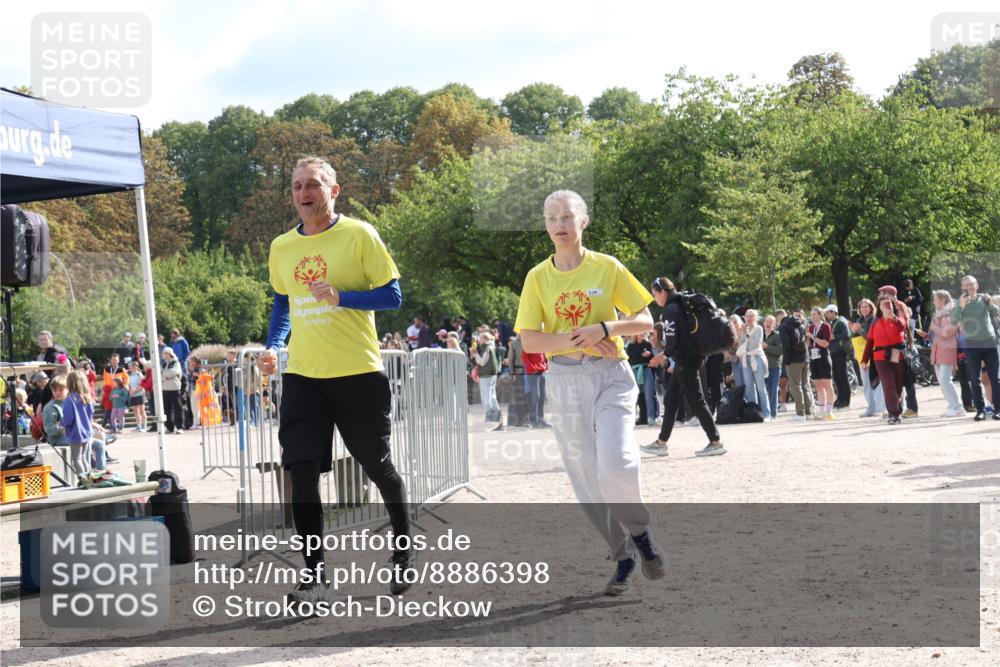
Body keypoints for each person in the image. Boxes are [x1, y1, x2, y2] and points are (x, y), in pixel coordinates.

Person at [256, 156, 413, 603]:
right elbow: (283, 303)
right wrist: (273, 345)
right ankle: (315, 574)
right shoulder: (282, 246)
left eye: (313, 186)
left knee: (377, 465)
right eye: (296, 186)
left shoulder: (359, 235)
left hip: (358, 374)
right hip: (304, 377)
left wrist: (344, 296)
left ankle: (402, 549)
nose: (304, 194)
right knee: (301, 472)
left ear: (333, 191)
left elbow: (393, 295)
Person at [515, 189, 665, 597]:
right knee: (585, 479)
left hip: (609, 375)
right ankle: (623, 556)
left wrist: (605, 330)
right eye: (551, 219)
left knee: (615, 465)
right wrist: (573, 341)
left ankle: (641, 534)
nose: (559, 225)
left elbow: (645, 318)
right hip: (564, 383)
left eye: (567, 217)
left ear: (583, 222)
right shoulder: (537, 277)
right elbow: (529, 340)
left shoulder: (607, 266)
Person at [643, 277, 726, 457]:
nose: (654, 298)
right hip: (690, 358)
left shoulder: (671, 310)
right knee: (671, 400)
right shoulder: (681, 304)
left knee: (697, 400)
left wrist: (662, 356)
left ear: (662, 291)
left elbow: (672, 342)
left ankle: (715, 441)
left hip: (685, 361)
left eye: (654, 294)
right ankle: (661, 442)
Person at [951, 275, 1000, 421]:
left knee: (994, 378)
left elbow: (995, 312)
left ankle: (998, 409)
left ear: (976, 285)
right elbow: (953, 321)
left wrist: (990, 303)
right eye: (965, 285)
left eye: (971, 284)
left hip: (989, 343)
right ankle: (980, 410)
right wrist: (961, 305)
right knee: (974, 378)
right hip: (972, 345)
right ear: (962, 288)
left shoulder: (984, 299)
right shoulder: (959, 303)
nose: (968, 288)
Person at [862, 296, 909, 424]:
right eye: (883, 304)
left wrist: (893, 317)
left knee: (898, 385)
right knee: (888, 384)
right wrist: (864, 360)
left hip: (896, 354)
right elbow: (870, 342)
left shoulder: (899, 318)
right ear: (879, 307)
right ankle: (893, 414)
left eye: (888, 304)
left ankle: (897, 409)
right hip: (880, 356)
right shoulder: (875, 322)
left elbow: (902, 326)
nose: (886, 306)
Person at [926, 290, 964, 417]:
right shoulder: (936, 314)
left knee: (945, 379)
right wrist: (927, 334)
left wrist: (933, 328)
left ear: (943, 300)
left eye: (935, 299)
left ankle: (958, 407)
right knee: (941, 381)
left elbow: (946, 333)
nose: (933, 301)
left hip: (948, 349)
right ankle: (952, 406)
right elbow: (937, 333)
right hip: (936, 350)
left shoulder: (952, 313)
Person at [60, 371, 96, 483]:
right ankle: (89, 478)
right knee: (85, 458)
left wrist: (61, 422)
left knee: (77, 458)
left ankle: (83, 480)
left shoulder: (69, 399)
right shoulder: (88, 399)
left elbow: (68, 419)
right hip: (87, 432)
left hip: (76, 433)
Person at [852, 299, 886, 418]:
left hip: (873, 355)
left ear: (871, 308)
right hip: (862, 355)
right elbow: (856, 339)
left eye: (866, 307)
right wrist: (853, 331)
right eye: (862, 307)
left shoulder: (874, 320)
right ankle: (871, 408)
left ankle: (881, 408)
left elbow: (870, 337)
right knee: (866, 383)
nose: (864, 309)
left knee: (876, 382)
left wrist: (859, 329)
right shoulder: (859, 320)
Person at [741, 309, 771, 421]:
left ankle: (767, 414)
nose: (749, 318)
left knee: (760, 387)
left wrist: (746, 334)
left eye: (751, 316)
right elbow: (741, 344)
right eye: (747, 316)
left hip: (757, 357)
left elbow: (755, 344)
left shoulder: (758, 329)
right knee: (749, 387)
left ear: (755, 318)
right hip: (746, 358)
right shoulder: (744, 329)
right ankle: (754, 413)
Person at [823, 304, 854, 409]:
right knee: (837, 377)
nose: (826, 314)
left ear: (833, 312)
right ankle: (840, 398)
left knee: (842, 376)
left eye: (827, 312)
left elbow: (847, 334)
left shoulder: (841, 321)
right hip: (834, 352)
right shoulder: (833, 322)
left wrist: (835, 336)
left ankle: (846, 400)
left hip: (840, 353)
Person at [807, 307, 835, 421]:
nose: (812, 316)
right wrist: (808, 339)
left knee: (827, 384)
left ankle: (829, 412)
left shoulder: (825, 326)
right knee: (818, 384)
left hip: (823, 356)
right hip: (813, 357)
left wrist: (813, 337)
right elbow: (809, 344)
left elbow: (825, 343)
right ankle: (822, 412)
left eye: (815, 314)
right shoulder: (811, 327)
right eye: (811, 314)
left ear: (820, 315)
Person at [626, 334, 658, 426]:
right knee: (634, 396)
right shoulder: (631, 346)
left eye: (644, 332)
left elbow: (653, 358)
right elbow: (628, 360)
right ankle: (631, 418)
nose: (643, 334)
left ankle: (651, 417)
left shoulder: (648, 344)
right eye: (641, 332)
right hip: (635, 371)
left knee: (649, 394)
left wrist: (649, 354)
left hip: (646, 370)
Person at [473, 331, 503, 427]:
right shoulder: (491, 347)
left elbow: (482, 362)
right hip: (491, 375)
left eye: (481, 338)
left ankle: (489, 416)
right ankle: (496, 415)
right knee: (492, 395)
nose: (479, 340)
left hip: (487, 375)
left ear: (485, 339)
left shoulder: (487, 348)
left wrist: (475, 355)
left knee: (486, 396)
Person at [762, 315, 782, 421]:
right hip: (761, 368)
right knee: (762, 390)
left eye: (771, 322)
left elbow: (780, 351)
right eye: (767, 321)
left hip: (774, 367)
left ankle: (773, 415)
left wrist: (767, 347)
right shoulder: (760, 335)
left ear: (774, 324)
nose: (768, 323)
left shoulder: (777, 335)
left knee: (773, 391)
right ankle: (764, 413)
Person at [161, 347, 185, 434]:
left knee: (178, 408)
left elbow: (174, 372)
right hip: (165, 388)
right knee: (167, 409)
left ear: (169, 354)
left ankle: (179, 427)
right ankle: (169, 427)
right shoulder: (163, 364)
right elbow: (160, 374)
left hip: (174, 388)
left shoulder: (176, 363)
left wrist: (165, 374)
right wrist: (166, 375)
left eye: (165, 353)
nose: (164, 355)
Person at [127, 360, 148, 432]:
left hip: (140, 394)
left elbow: (141, 385)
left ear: (136, 367)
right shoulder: (129, 375)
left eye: (134, 366)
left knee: (142, 410)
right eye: (131, 366)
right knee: (136, 411)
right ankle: (138, 425)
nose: (132, 367)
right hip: (133, 395)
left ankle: (144, 425)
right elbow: (129, 385)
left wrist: (134, 391)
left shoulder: (139, 375)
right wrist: (130, 391)